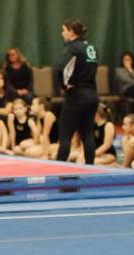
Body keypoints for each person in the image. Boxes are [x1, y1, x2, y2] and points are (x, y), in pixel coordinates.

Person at [55, 18, 99, 165]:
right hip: (92, 94)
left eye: (63, 30)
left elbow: (60, 68)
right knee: (87, 133)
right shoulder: (91, 47)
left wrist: (63, 85)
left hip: (77, 94)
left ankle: (58, 168)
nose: (62, 33)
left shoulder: (72, 48)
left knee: (65, 135)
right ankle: (91, 168)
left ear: (72, 32)